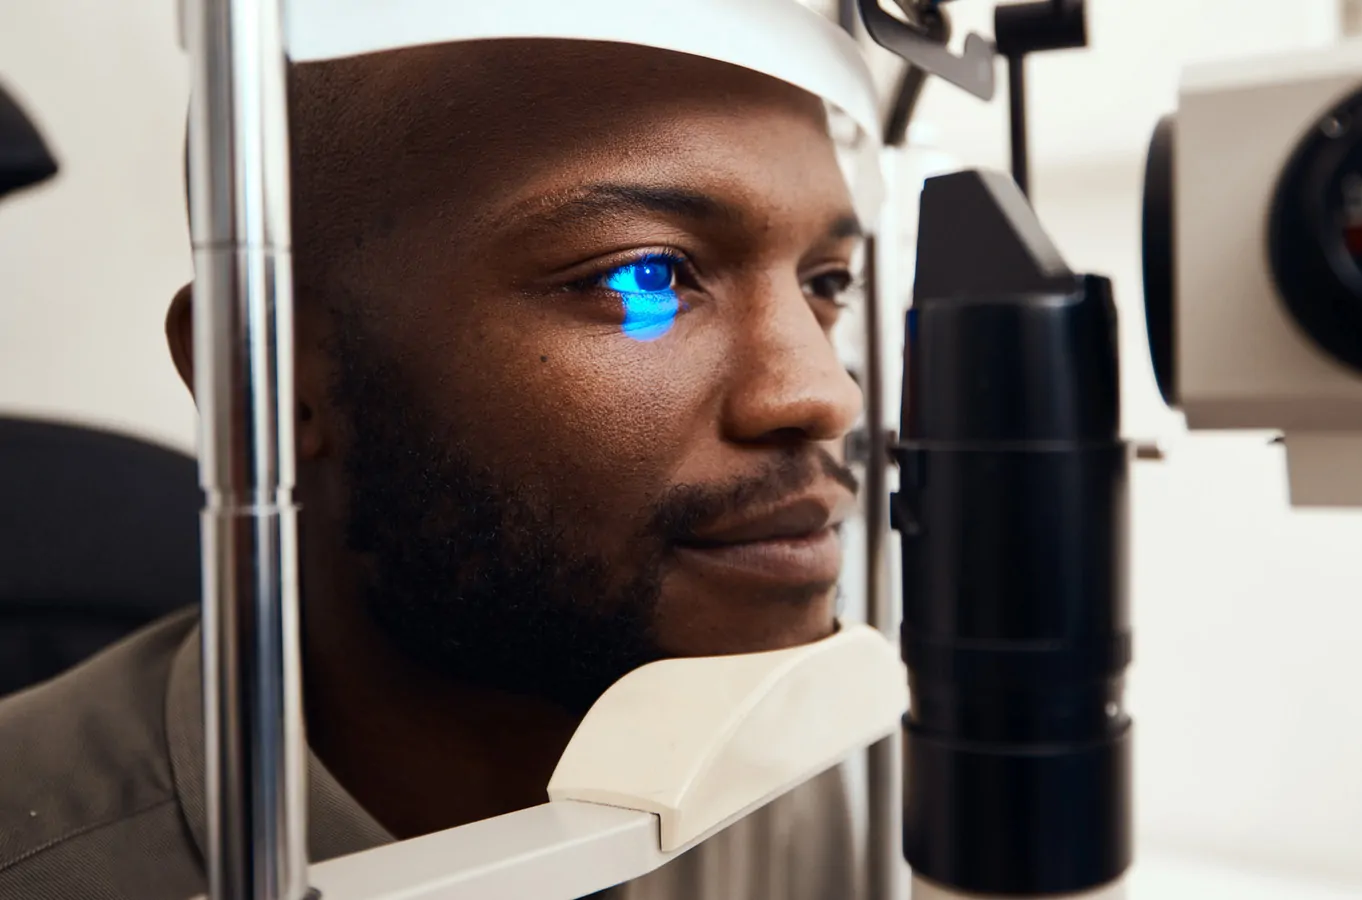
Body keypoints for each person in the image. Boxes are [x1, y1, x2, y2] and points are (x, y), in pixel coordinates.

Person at [0, 36, 868, 900]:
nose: (822, 394)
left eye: (825, 282)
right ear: (262, 377)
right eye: (644, 275)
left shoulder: (863, 784)